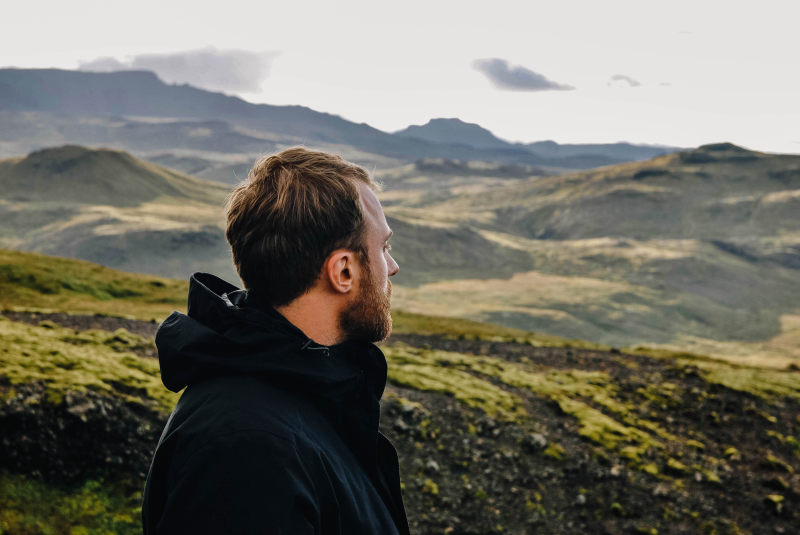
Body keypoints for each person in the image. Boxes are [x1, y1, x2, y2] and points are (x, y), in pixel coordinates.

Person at [141, 147, 409, 534]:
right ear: (343, 271)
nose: (393, 267)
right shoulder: (248, 449)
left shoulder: (308, 395)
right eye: (383, 248)